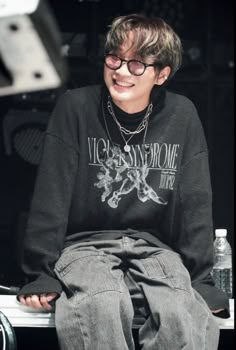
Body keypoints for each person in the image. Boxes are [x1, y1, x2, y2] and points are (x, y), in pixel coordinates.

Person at [17, 14, 229, 350]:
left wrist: (200, 278)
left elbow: (195, 200)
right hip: (83, 244)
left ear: (162, 74)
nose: (120, 70)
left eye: (137, 64)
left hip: (155, 247)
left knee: (181, 314)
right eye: (115, 57)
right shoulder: (76, 106)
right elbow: (51, 193)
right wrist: (40, 271)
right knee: (99, 301)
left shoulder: (182, 114)